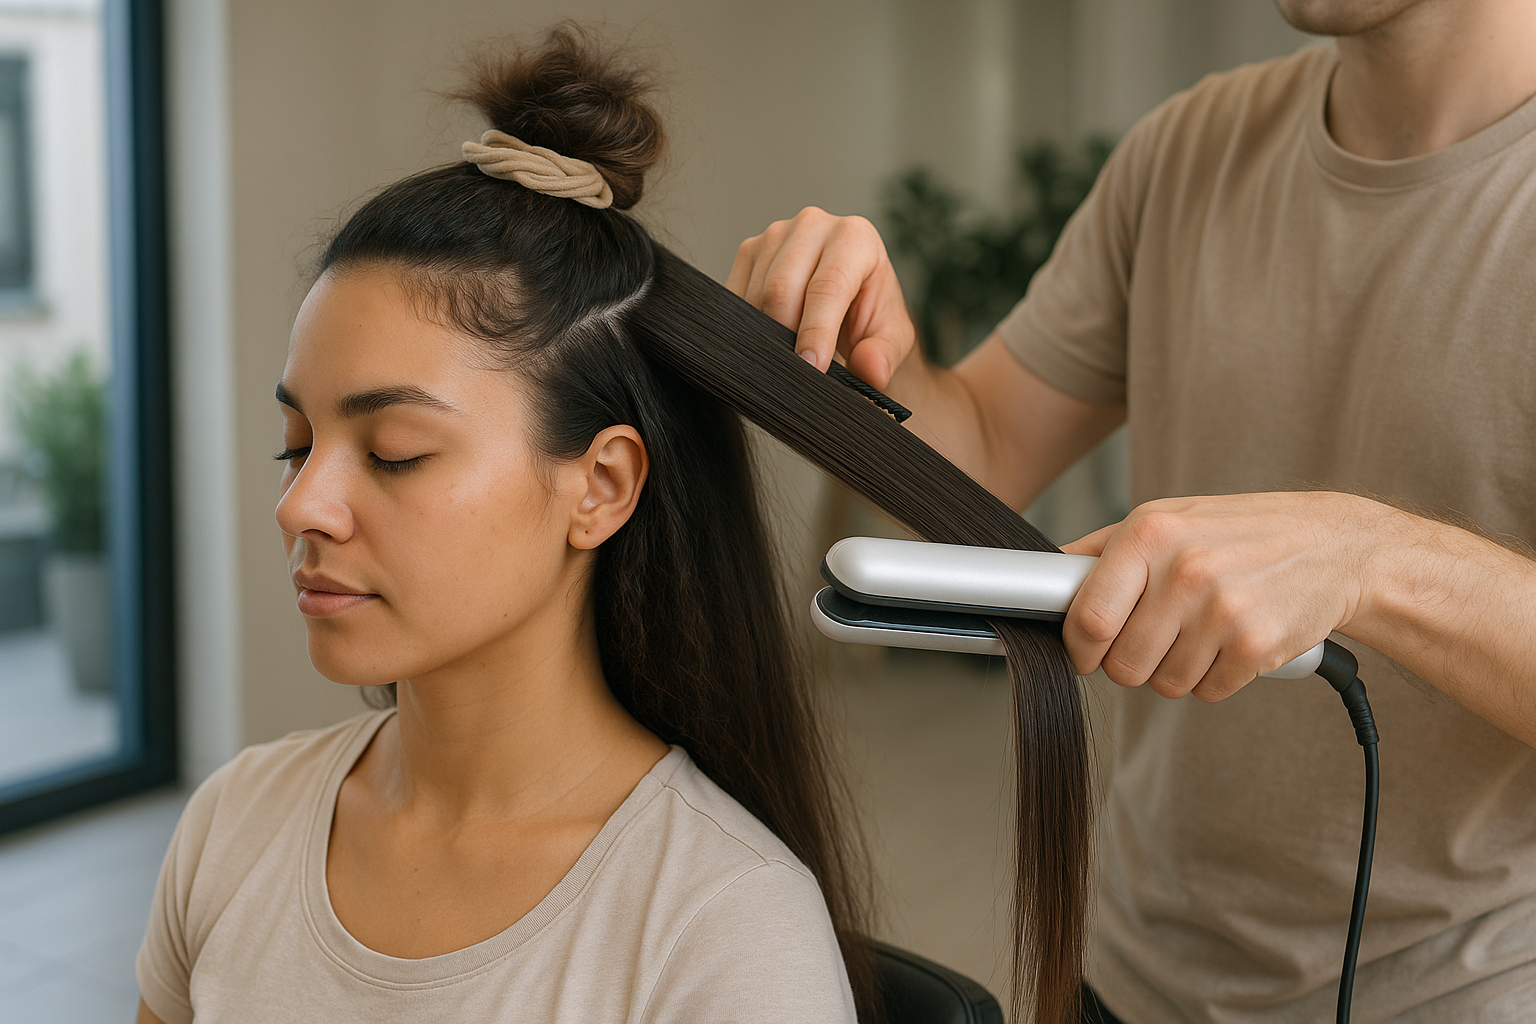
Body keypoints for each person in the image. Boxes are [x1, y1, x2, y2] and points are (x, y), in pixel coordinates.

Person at [729, 0, 1536, 1021]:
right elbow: (979, 452)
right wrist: (854, 356)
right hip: (1133, 973)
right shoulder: (1190, 148)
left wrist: (1371, 561)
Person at [132, 29, 876, 1024]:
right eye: (296, 443)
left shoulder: (725, 927)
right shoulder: (233, 823)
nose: (300, 504)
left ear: (600, 486)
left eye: (394, 450)